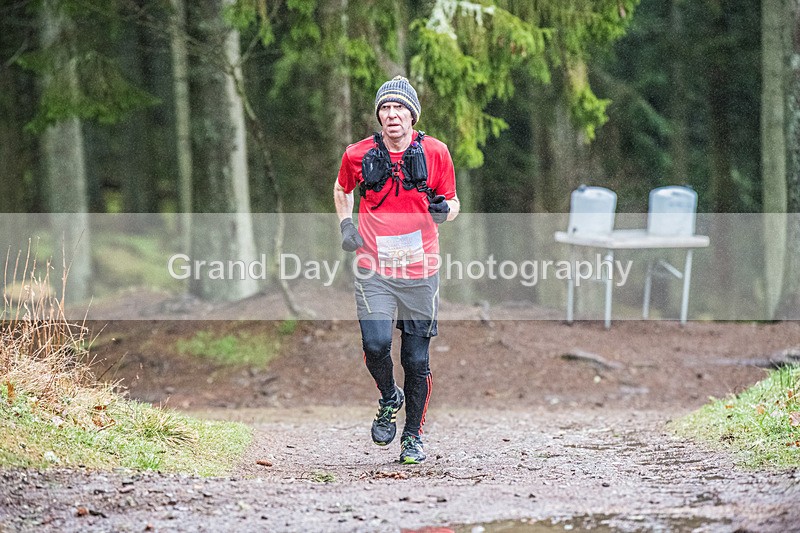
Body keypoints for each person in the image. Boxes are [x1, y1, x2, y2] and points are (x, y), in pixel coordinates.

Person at [333, 75, 460, 464]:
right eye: (385, 108)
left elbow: (454, 202)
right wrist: (346, 224)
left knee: (417, 360)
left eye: (399, 108)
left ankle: (412, 437)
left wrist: (445, 211)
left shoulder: (436, 152)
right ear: (379, 116)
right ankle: (390, 396)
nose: (392, 115)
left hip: (421, 269)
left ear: (412, 116)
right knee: (375, 344)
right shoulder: (358, 154)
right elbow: (342, 189)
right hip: (374, 268)